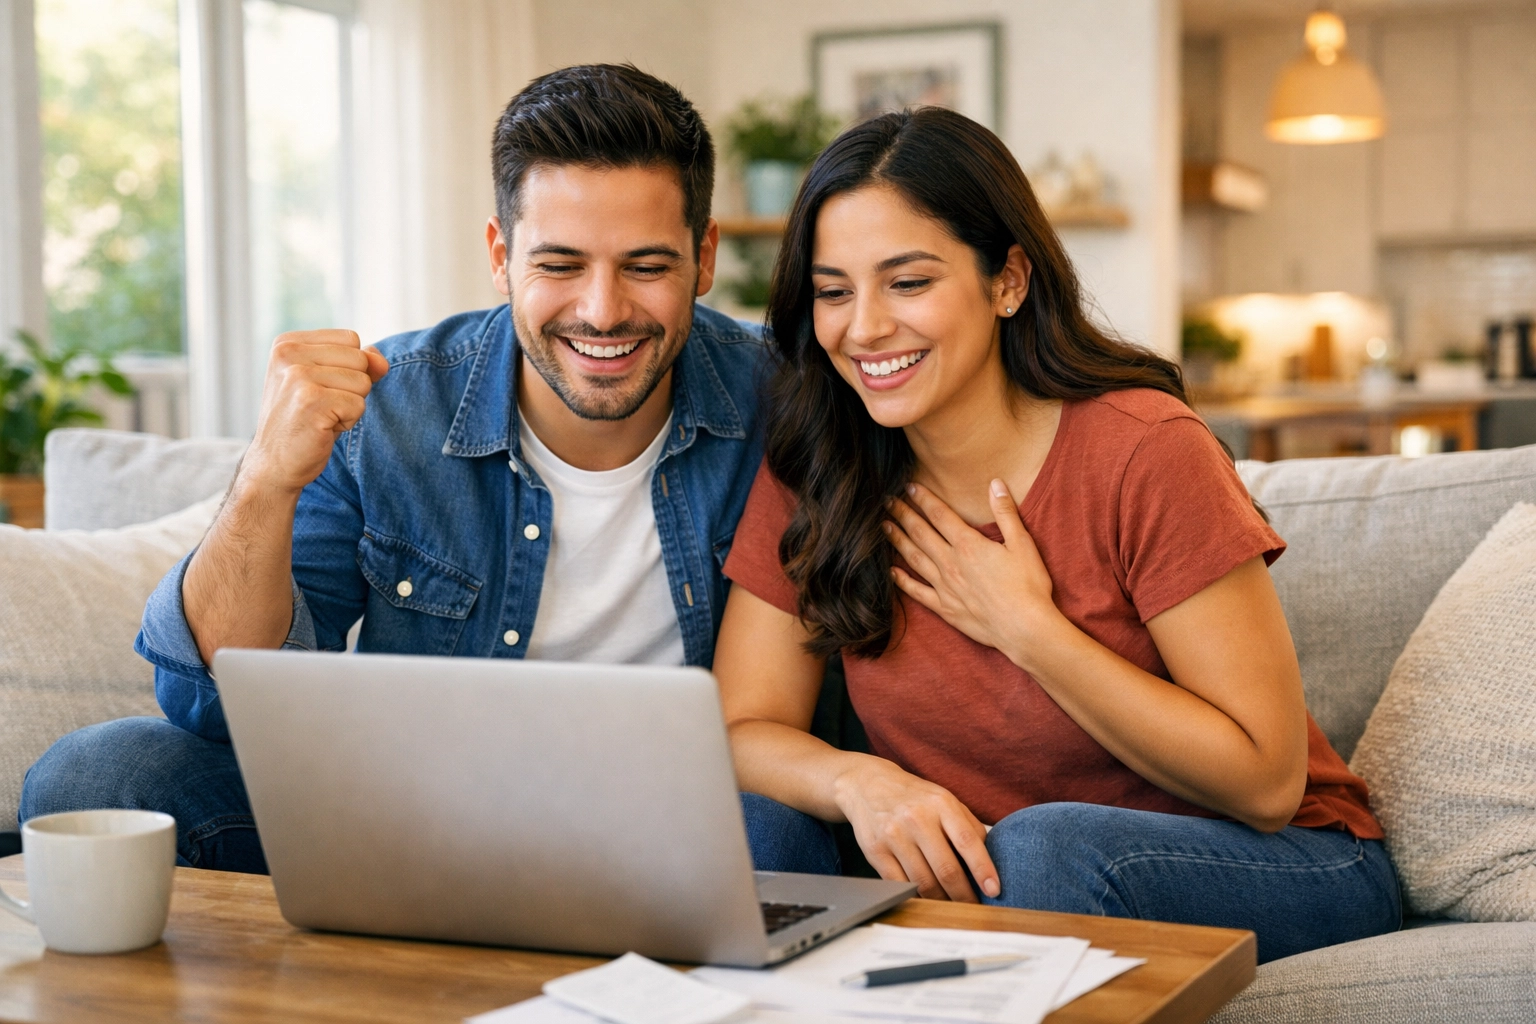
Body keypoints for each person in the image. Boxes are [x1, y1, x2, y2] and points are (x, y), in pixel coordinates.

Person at [21, 64, 767, 873]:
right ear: (499, 254)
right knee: (100, 775)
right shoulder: (390, 409)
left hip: (670, 824)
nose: (602, 310)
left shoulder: (786, 402)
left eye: (647, 267)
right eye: (559, 265)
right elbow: (216, 701)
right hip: (418, 818)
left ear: (706, 256)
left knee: (783, 832)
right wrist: (266, 477)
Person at [716, 107, 1400, 964]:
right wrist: (859, 779)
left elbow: (1266, 783)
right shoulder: (825, 463)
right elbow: (743, 728)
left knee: (1043, 851)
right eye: (832, 290)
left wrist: (1030, 631)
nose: (864, 327)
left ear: (1008, 280)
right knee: (754, 828)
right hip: (990, 873)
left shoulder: (1145, 450)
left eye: (909, 282)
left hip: (1277, 861)